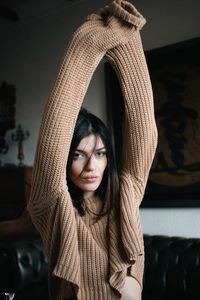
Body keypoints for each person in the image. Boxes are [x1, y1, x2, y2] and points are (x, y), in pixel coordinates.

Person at [27, 1, 158, 299]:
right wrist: (85, 48)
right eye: (78, 154)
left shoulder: (125, 193)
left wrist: (129, 42)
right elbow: (55, 130)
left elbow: (144, 131)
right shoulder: (52, 207)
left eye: (100, 153)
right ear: (64, 158)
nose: (91, 166)